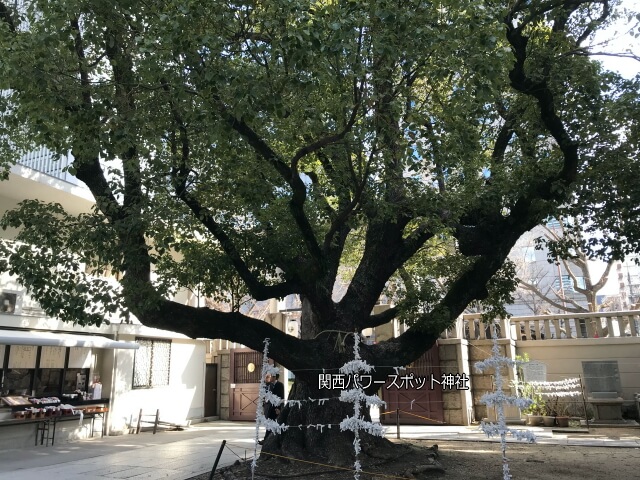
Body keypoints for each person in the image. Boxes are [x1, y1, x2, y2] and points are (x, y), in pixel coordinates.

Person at [259, 373, 284, 445]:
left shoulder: (279, 385)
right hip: (268, 407)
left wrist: (278, 408)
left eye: (271, 376)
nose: (270, 378)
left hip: (275, 407)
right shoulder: (269, 385)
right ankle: (267, 439)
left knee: (272, 423)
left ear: (275, 377)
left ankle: (267, 440)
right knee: (268, 423)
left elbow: (280, 397)